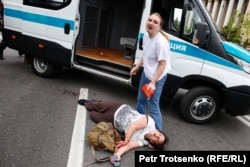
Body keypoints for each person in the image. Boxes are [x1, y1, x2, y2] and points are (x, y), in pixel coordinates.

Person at [78, 99, 169, 166]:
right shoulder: (150, 122)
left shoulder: (141, 142)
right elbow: (134, 126)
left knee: (93, 115)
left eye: (157, 139)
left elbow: (127, 147)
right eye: (159, 134)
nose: (157, 135)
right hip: (119, 108)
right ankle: (91, 102)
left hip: (113, 121)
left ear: (152, 142)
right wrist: (127, 139)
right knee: (95, 105)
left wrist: (117, 155)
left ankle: (95, 104)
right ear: (158, 131)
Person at [130, 12, 171, 131]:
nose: (151, 23)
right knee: (140, 100)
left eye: (155, 22)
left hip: (157, 78)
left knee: (153, 106)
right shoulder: (146, 37)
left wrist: (153, 82)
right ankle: (138, 124)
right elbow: (145, 55)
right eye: (150, 20)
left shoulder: (161, 42)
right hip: (146, 74)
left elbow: (162, 64)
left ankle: (158, 134)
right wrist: (137, 67)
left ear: (159, 27)